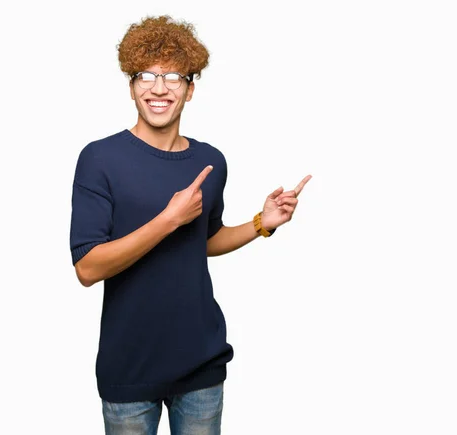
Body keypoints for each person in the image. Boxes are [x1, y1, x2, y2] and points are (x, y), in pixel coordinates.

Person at [69, 15, 312, 435]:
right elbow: (88, 268)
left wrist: (261, 223)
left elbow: (204, 241)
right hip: (129, 366)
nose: (159, 88)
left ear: (190, 89)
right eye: (147, 75)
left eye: (174, 77)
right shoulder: (99, 159)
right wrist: (167, 220)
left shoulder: (211, 162)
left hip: (200, 363)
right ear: (131, 86)